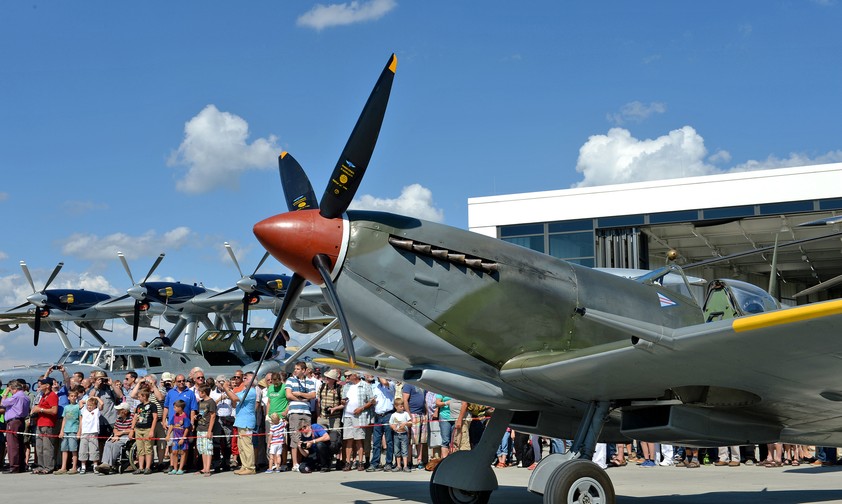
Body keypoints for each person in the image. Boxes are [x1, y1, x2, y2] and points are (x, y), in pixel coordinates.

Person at [223, 371, 258, 475]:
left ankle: (250, 467)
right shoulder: (244, 391)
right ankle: (244, 465)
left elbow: (234, 398)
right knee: (241, 446)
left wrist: (226, 389)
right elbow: (233, 400)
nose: (244, 380)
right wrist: (228, 389)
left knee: (247, 445)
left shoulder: (251, 391)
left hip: (246, 421)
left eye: (246, 378)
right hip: (240, 421)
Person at [341, 370, 375, 472]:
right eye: (345, 376)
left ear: (355, 375)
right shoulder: (347, 386)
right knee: (348, 440)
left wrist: (362, 408)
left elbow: (372, 400)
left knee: (359, 439)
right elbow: (343, 399)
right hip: (347, 415)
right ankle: (348, 462)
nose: (346, 378)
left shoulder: (365, 385)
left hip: (359, 416)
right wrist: (343, 401)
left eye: (348, 376)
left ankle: (360, 462)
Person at [286, 361, 316, 472]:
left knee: (306, 437)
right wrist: (303, 399)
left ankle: (305, 461)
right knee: (295, 437)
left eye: (298, 369)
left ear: (304, 370)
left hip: (306, 412)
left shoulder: (310, 382)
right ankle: (295, 463)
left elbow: (313, 395)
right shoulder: (290, 380)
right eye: (295, 368)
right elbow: (288, 394)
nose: (295, 370)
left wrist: (300, 394)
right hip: (294, 412)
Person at [0, 380, 30, 473]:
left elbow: (3, 403)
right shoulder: (25, 396)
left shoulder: (16, 396)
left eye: (11, 389)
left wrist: (5, 393)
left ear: (14, 389)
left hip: (13, 422)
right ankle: (21, 465)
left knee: (12, 445)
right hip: (21, 421)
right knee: (20, 444)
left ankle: (14, 466)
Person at [31, 377, 60, 473]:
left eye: (42, 384)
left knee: (47, 447)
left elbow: (54, 410)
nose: (40, 386)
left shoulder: (52, 396)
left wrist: (40, 409)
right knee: (39, 447)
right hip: (40, 423)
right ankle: (41, 466)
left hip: (48, 424)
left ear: (47, 386)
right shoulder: (43, 396)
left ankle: (48, 467)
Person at [96, 402, 134, 475]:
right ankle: (105, 463)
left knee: (116, 444)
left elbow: (133, 429)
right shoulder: (118, 418)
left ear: (125, 411)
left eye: (119, 410)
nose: (117, 411)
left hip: (127, 436)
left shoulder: (132, 417)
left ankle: (109, 464)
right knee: (108, 443)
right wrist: (116, 435)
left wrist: (122, 433)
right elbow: (115, 428)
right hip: (118, 435)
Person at [368, 376, 396, 472]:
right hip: (378, 415)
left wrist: (380, 374)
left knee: (389, 441)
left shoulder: (391, 384)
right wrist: (373, 402)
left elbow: (385, 383)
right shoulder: (376, 387)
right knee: (376, 441)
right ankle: (375, 463)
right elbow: (376, 401)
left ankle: (388, 462)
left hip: (387, 415)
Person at [130, 389, 157, 475]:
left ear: (144, 396)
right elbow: (135, 418)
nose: (138, 398)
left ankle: (148, 467)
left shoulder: (152, 405)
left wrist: (152, 430)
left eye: (139, 396)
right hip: (139, 428)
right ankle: (140, 467)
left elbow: (155, 418)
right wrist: (132, 429)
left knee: (148, 448)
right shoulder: (139, 406)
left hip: (147, 428)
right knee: (140, 449)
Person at [56, 386, 82, 474]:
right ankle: (63, 467)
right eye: (71, 396)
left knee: (73, 449)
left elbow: (80, 419)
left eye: (75, 396)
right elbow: (64, 419)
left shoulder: (78, 407)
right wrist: (61, 431)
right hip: (66, 430)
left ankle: (74, 466)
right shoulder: (66, 407)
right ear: (68, 397)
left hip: (73, 430)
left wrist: (79, 431)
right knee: (64, 449)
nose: (73, 397)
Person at [402, 384, 427, 470]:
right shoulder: (408, 385)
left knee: (421, 439)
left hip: (422, 414)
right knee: (411, 439)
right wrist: (408, 414)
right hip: (413, 413)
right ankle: (409, 461)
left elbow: (425, 400)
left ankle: (419, 460)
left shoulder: (422, 385)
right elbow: (405, 400)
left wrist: (426, 412)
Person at [78, 396, 104, 474]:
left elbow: (102, 404)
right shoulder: (84, 411)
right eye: (88, 405)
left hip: (93, 433)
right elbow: (80, 402)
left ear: (95, 406)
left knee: (94, 450)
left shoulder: (96, 411)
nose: (89, 407)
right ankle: (83, 466)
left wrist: (95, 398)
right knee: (83, 450)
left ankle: (95, 466)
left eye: (91, 405)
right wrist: (88, 401)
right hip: (84, 433)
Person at [195, 384, 217, 476]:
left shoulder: (211, 402)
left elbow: (213, 416)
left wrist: (209, 430)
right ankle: (204, 467)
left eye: (200, 392)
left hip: (206, 428)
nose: (199, 393)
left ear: (204, 392)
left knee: (208, 449)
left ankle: (208, 468)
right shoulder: (200, 402)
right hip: (200, 427)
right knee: (202, 449)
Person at [166, 399, 189, 475]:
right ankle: (175, 468)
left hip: (182, 438)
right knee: (174, 452)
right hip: (175, 437)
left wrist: (183, 438)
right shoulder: (174, 416)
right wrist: (168, 435)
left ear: (180, 408)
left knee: (182, 452)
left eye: (175, 407)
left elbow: (186, 428)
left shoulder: (185, 417)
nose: (174, 409)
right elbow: (171, 426)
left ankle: (180, 468)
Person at [390, 397, 412, 472]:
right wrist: (394, 428)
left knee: (404, 450)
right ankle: (398, 465)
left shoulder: (405, 414)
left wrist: (405, 423)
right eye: (400, 406)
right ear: (396, 407)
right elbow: (391, 423)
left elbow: (410, 423)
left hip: (404, 434)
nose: (402, 407)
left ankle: (405, 466)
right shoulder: (393, 415)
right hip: (396, 434)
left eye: (403, 406)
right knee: (397, 450)